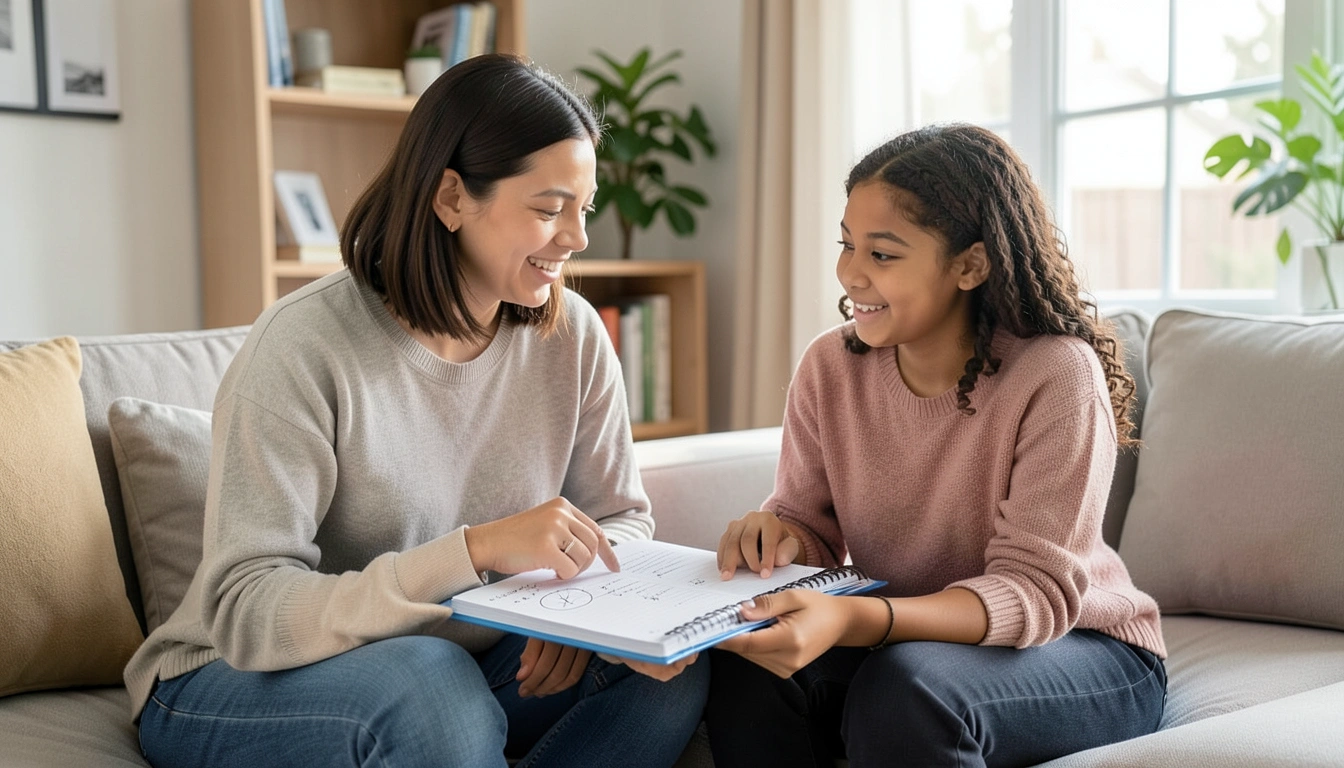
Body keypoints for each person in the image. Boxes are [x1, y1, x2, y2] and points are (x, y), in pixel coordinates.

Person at [125, 54, 707, 768]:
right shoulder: (305, 344)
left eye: (583, 210)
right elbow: (247, 610)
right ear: (453, 197)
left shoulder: (573, 335)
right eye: (551, 209)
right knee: (431, 689)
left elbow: (619, 518)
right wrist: (474, 551)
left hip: (461, 657)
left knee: (664, 667)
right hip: (230, 678)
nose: (577, 239)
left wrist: (581, 611)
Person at [705, 123, 1167, 768]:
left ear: (970, 264)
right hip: (907, 643)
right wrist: (777, 537)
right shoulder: (829, 366)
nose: (850, 274)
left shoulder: (1055, 373)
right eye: (846, 245)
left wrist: (860, 622)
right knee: (749, 662)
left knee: (908, 686)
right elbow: (810, 527)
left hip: (1084, 650)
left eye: (883, 255)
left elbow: (1034, 592)